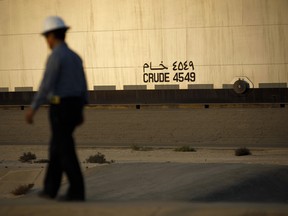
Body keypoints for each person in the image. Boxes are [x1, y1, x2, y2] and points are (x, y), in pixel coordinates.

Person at [25, 16, 88, 201]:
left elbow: (46, 85)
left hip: (61, 107)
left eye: (46, 37)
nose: (47, 41)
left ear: (52, 36)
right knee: (56, 147)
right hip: (75, 106)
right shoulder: (75, 57)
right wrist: (82, 109)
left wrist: (33, 108)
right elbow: (83, 85)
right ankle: (50, 189)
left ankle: (77, 191)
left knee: (64, 149)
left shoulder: (56, 56)